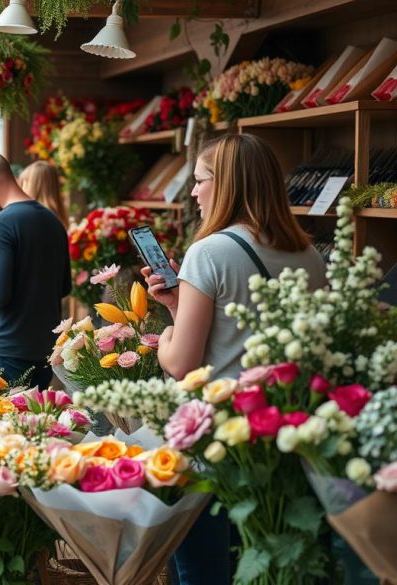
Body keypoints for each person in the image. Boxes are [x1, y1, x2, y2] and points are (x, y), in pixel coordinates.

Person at [143, 134, 327, 585]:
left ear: (225, 185)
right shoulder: (309, 254)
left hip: (217, 445)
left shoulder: (209, 252)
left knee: (204, 571)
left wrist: (165, 334)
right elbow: (241, 335)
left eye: (200, 180)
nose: (193, 192)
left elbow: (183, 363)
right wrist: (176, 305)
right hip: (285, 438)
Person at [0, 152, 72, 388]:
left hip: (7, 351)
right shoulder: (53, 221)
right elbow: (64, 287)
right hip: (45, 351)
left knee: (6, 423)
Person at [19, 160, 69, 227]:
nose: (20, 188)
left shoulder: (30, 216)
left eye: (24, 182)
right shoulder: (58, 214)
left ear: (32, 186)